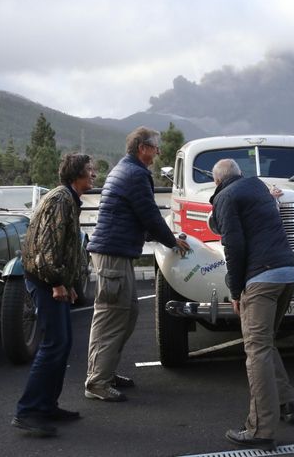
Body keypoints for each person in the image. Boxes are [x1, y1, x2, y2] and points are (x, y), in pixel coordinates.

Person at [84, 126, 189, 402]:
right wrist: (172, 241)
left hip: (116, 252)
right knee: (111, 316)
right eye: (156, 148)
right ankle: (97, 382)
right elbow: (150, 216)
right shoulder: (135, 174)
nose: (158, 153)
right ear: (142, 148)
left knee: (125, 313)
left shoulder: (126, 169)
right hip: (113, 255)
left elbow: (143, 216)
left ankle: (104, 372)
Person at [209, 159, 294, 452]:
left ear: (218, 182)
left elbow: (233, 245)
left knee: (256, 350)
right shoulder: (258, 188)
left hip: (261, 278)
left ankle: (260, 429)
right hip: (289, 272)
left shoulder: (225, 197)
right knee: (266, 343)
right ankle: (285, 400)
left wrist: (235, 290)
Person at [12, 153, 95, 437]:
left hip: (51, 278)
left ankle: (47, 405)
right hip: (44, 278)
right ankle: (28, 411)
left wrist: (69, 282)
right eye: (89, 171)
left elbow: (64, 247)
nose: (94, 175)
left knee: (62, 342)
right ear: (76, 175)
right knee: (53, 344)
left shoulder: (68, 199)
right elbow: (48, 245)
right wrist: (57, 282)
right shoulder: (61, 200)